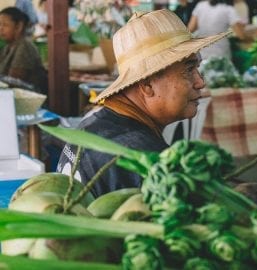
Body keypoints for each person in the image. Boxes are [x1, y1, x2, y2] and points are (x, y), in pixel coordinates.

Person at [57, 9, 229, 197]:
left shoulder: (95, 122)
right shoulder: (143, 159)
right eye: (188, 70)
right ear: (147, 84)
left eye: (197, 68)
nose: (200, 82)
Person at [0, 7, 47, 93]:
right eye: (0, 25)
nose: (1, 29)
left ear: (19, 26)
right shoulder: (7, 47)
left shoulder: (25, 46)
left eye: (5, 25)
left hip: (29, 99)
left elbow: (13, 81)